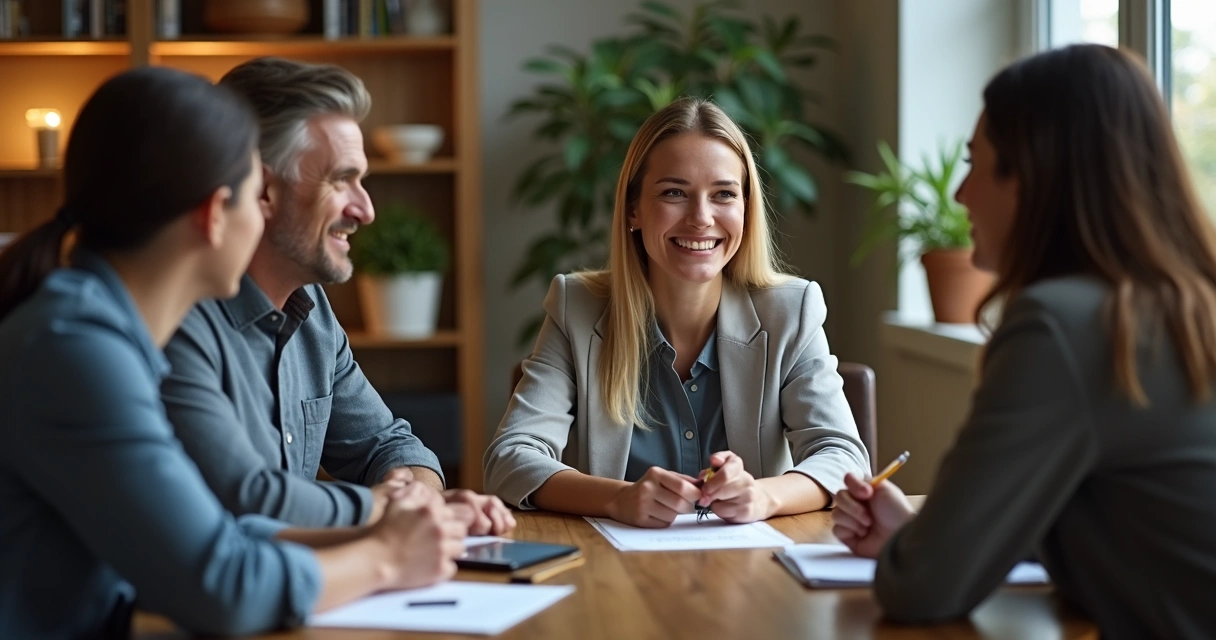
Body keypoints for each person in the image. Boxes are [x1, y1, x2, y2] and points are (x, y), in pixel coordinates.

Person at [0, 67, 470, 639]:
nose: (261, 218)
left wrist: (400, 521)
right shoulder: (77, 348)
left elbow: (218, 531)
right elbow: (223, 584)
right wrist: (388, 553)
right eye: (253, 197)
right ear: (215, 214)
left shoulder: (101, 332)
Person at [831, 45, 1216, 639]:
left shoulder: (1063, 326)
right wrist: (919, 536)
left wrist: (919, 551)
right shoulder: (1183, 307)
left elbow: (922, 587)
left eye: (974, 164)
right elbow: (1136, 525)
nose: (960, 194)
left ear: (1030, 177)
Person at [159, 56, 513, 534]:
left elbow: (389, 445)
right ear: (263, 188)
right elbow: (244, 507)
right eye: (341, 179)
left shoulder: (313, 311)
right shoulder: (176, 319)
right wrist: (384, 510)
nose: (366, 210)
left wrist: (419, 500)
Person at [484, 97, 869, 528]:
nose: (701, 218)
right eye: (674, 193)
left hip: (752, 562)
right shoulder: (577, 308)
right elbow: (510, 459)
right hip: (614, 563)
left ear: (746, 209)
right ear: (633, 209)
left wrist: (764, 496)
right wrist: (618, 499)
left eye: (724, 194)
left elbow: (844, 458)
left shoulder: (790, 311)